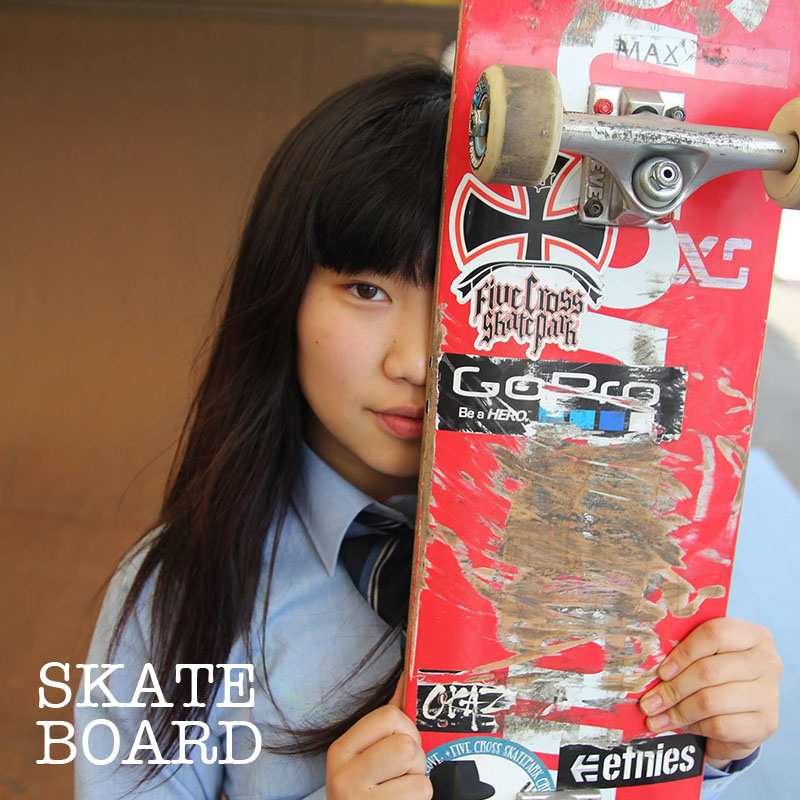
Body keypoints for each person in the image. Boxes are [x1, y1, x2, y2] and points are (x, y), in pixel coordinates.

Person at [74, 62, 781, 800]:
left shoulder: (612, 554)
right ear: (284, 295)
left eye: (462, 294)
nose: (415, 361)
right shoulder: (176, 591)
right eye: (366, 290)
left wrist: (704, 739)